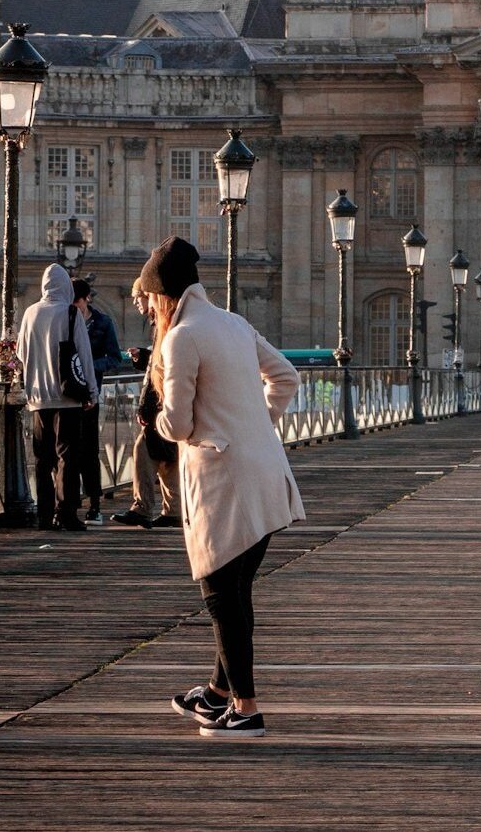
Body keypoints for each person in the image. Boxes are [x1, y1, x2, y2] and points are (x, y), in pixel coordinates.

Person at [148, 235, 304, 739]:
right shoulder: (234, 323)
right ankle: (218, 693)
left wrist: (156, 421)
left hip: (222, 481)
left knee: (220, 595)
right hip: (265, 474)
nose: (149, 309)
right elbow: (286, 377)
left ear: (164, 295)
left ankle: (246, 708)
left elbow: (177, 423)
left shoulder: (181, 337)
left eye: (150, 299)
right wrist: (255, 423)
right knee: (236, 592)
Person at [17, 263, 96, 531]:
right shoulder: (71, 313)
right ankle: (66, 513)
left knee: (43, 459)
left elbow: (21, 354)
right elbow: (83, 356)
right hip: (68, 397)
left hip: (38, 397)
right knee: (68, 458)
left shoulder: (30, 313)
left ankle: (44, 515)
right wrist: (92, 391)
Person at [111, 281, 180, 529]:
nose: (135, 302)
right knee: (169, 455)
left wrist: (145, 407)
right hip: (170, 402)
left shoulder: (164, 323)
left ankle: (142, 508)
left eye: (138, 297)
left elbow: (161, 369)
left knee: (145, 449)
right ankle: (173, 510)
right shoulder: (166, 321)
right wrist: (145, 357)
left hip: (161, 402)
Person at [71, 278, 123, 525]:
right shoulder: (66, 320)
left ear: (87, 299)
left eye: (78, 304)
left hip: (90, 396)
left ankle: (94, 504)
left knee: (90, 452)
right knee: (69, 452)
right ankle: (70, 504)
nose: (75, 309)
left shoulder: (103, 323)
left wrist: (90, 366)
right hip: (68, 394)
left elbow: (114, 357)